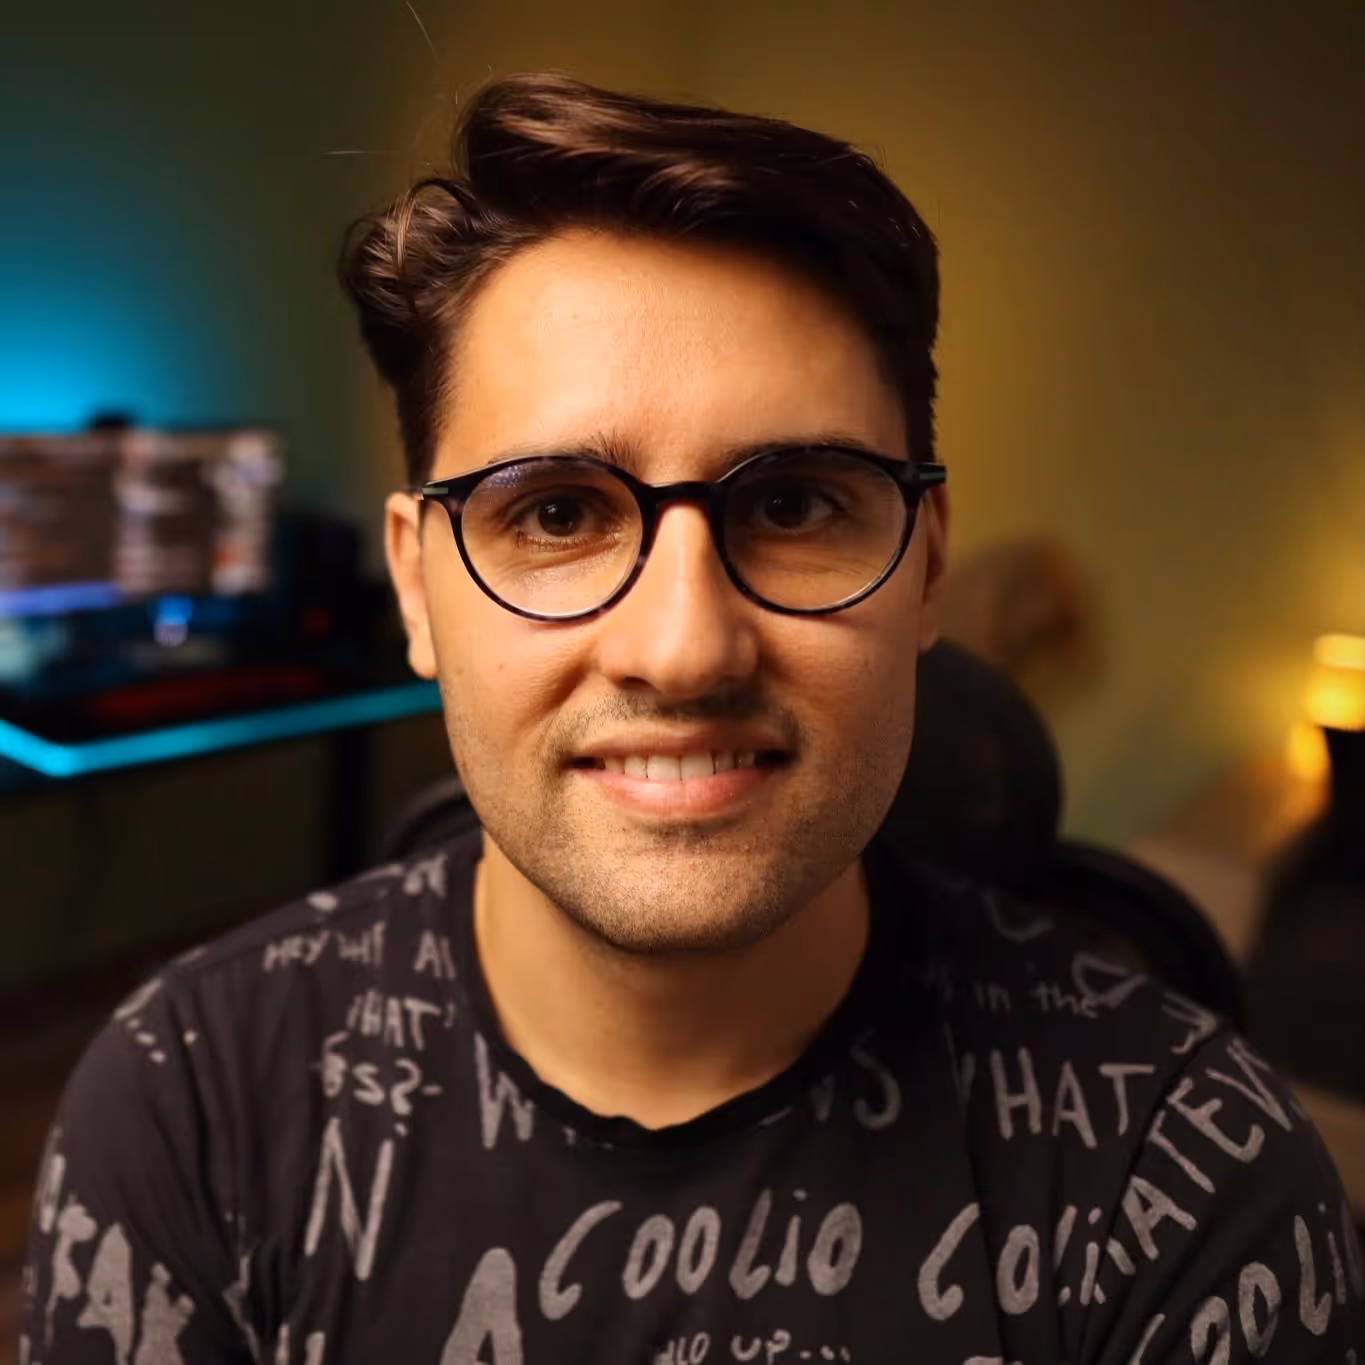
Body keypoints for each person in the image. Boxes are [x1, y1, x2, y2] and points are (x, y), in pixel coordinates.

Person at [21, 73, 1364, 1365]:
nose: (682, 647)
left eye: (791, 507)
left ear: (931, 568)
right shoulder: (187, 1105)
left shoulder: (1191, 1188)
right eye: (555, 513)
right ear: (418, 587)